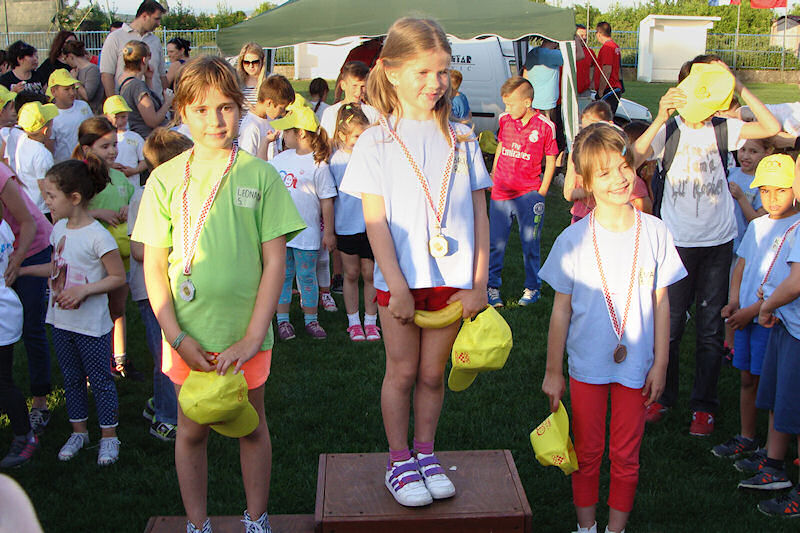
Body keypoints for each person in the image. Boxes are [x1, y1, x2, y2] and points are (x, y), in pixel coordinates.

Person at [131, 55, 305, 533]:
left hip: (246, 337)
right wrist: (175, 336)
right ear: (182, 112)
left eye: (226, 107)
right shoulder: (165, 179)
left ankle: (257, 518)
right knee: (191, 430)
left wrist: (252, 337)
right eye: (202, 109)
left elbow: (275, 262)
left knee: (251, 425)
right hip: (186, 336)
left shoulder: (260, 175)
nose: (215, 120)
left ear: (240, 109)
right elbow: (154, 265)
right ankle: (197, 523)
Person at [339, 17, 491, 507]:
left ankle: (426, 453)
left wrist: (479, 283)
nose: (435, 82)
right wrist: (397, 285)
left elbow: (480, 215)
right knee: (402, 373)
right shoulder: (376, 141)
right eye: (423, 72)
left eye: (442, 71)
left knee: (432, 375)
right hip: (400, 284)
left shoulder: (463, 138)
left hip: (454, 282)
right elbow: (375, 222)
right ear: (390, 71)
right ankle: (398, 460)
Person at [540, 123, 687, 533]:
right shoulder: (573, 240)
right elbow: (560, 312)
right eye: (604, 173)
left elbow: (662, 302)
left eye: (623, 166)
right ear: (586, 183)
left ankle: (615, 529)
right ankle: (586, 527)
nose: (619, 178)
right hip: (587, 364)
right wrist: (553, 371)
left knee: (626, 455)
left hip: (636, 365)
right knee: (587, 452)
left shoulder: (655, 232)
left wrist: (660, 363)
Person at [633, 56, 780, 436]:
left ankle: (704, 406)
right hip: (676, 244)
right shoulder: (671, 129)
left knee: (711, 329)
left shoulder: (724, 127)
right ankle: (662, 396)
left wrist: (738, 86)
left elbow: (771, 127)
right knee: (669, 327)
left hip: (717, 243)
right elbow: (633, 158)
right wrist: (660, 117)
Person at [19, 156, 126, 465]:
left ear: (74, 198)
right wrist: (24, 271)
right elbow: (57, 267)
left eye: (52, 196)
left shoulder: (98, 236)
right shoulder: (59, 229)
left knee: (100, 380)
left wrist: (83, 290)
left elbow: (117, 277)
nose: (47, 202)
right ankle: (79, 432)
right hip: (62, 322)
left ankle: (109, 436)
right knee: (72, 379)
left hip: (91, 325)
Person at [715, 155, 799, 465]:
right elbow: (742, 264)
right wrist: (734, 300)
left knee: (774, 386)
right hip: (748, 317)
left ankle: (771, 450)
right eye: (765, 191)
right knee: (747, 379)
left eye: (781, 190)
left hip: (771, 319)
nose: (772, 198)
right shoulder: (757, 225)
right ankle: (747, 436)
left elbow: (787, 285)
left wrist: (751, 310)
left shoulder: (796, 228)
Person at [739, 157, 800, 517]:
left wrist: (766, 306)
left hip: (792, 327)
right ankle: (774, 466)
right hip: (788, 324)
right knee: (782, 398)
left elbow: (795, 282)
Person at [132, 127, 193, 441]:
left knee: (168, 353)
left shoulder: (183, 193)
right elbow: (138, 249)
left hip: (173, 289)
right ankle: (167, 417)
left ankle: (159, 402)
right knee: (166, 357)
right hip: (152, 291)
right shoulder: (147, 195)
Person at [487, 76, 557, 308]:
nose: (507, 109)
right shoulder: (505, 120)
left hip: (529, 194)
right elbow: (501, 145)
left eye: (511, 104)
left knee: (530, 242)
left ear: (527, 103)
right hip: (501, 191)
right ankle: (492, 287)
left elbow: (551, 158)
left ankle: (532, 287)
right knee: (496, 243)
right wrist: (494, 173)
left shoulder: (545, 126)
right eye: (505, 104)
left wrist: (543, 190)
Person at [269, 104, 336, 340]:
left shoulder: (318, 165)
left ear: (300, 134)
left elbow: (327, 201)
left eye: (286, 131)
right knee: (283, 276)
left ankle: (311, 320)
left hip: (307, 234)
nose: (282, 136)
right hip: (281, 233)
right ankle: (283, 321)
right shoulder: (280, 159)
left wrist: (329, 232)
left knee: (307, 276)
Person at [78, 117, 136, 380]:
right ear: (87, 148)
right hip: (92, 257)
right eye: (105, 146)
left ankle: (119, 360)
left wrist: (127, 208)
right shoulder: (82, 178)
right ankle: (94, 366)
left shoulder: (119, 176)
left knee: (118, 308)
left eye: (114, 145)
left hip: (119, 255)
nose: (113, 151)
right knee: (95, 312)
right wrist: (98, 212)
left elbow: (131, 201)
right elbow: (67, 214)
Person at [0, 154, 53, 437]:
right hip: (6, 252)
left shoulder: (0, 175)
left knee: (32, 327)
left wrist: (17, 262)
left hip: (31, 250)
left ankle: (40, 402)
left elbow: (29, 224)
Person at [330, 104, 379, 341]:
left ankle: (370, 320)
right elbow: (329, 196)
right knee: (351, 273)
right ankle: (353, 322)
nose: (362, 141)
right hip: (346, 226)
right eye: (357, 136)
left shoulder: (372, 158)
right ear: (343, 135)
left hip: (371, 226)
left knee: (370, 273)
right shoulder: (336, 160)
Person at [0, 195, 39, 469]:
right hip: (6, 309)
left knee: (2, 382)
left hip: (2, 316)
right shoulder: (3, 225)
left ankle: (25, 436)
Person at [100, 0, 168, 99]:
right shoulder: (115, 38)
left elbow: (162, 75)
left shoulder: (155, 41)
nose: (159, 23)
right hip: (126, 103)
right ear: (144, 16)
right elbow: (107, 74)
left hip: (154, 103)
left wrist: (166, 100)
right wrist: (114, 103)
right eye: (156, 19)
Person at [563, 101, 616, 224]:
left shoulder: (617, 154)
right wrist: (593, 189)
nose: (589, 135)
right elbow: (568, 193)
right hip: (581, 217)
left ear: (609, 125)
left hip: (609, 218)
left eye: (594, 128)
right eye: (584, 130)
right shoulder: (577, 151)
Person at [117, 41, 173, 138]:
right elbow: (152, 121)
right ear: (144, 60)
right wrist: (168, 102)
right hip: (150, 138)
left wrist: (149, 79)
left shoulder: (123, 81)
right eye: (149, 56)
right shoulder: (137, 86)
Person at [14, 102, 57, 217]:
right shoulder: (43, 154)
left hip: (27, 202)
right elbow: (43, 184)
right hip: (42, 209)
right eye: (51, 126)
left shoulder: (23, 139)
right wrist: (53, 210)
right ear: (45, 131)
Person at [238, 74, 294, 161]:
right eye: (281, 108)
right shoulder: (251, 127)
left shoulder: (270, 119)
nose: (282, 112)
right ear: (269, 103)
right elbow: (247, 162)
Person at [320, 61, 380, 137]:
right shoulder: (331, 113)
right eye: (354, 86)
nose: (358, 92)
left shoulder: (372, 113)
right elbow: (327, 141)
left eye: (363, 86)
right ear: (343, 85)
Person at [48, 69, 92, 163]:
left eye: (73, 88)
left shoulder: (83, 106)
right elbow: (50, 147)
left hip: (85, 163)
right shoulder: (50, 116)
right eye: (66, 89)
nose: (72, 93)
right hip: (64, 166)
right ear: (53, 91)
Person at [104, 96, 147, 189]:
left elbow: (145, 160)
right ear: (107, 116)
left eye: (123, 117)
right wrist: (109, 167)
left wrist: (135, 170)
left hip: (132, 186)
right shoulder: (102, 138)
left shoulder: (135, 137)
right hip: (109, 187)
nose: (120, 121)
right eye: (116, 117)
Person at [523, 39, 562, 120]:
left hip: (532, 102)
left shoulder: (532, 53)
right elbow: (579, 55)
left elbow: (525, 75)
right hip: (547, 105)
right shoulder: (553, 54)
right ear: (555, 42)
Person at [62, 40, 104, 115]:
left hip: (93, 114)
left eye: (65, 59)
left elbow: (87, 96)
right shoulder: (76, 71)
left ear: (71, 56)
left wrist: (75, 80)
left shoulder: (92, 70)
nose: (66, 62)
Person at [594, 22, 624, 115]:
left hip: (609, 88)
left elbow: (607, 70)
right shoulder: (615, 46)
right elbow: (618, 68)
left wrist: (600, 92)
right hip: (615, 86)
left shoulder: (607, 47)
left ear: (599, 34)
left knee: (603, 117)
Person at [236, 42, 266, 114]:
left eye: (255, 62)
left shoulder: (269, 81)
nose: (251, 66)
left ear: (262, 61)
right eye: (246, 62)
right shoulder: (236, 81)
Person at [575, 24, 596, 102]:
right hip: (571, 90)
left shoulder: (590, 52)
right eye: (581, 35)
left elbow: (595, 67)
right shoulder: (567, 51)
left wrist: (593, 81)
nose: (584, 38)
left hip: (585, 91)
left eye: (585, 35)